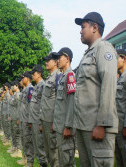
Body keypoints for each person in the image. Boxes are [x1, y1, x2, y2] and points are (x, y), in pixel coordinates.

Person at [74, 12, 118, 166]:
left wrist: (102, 124)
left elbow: (109, 84)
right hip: (84, 126)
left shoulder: (104, 49)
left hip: (97, 127)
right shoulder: (87, 54)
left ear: (94, 27)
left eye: (83, 27)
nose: (80, 31)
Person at [52, 47, 76, 167]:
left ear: (67, 59)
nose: (57, 61)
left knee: (67, 160)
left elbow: (72, 102)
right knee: (62, 158)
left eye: (59, 58)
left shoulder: (70, 76)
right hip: (60, 126)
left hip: (65, 127)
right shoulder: (62, 77)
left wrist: (68, 126)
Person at [40, 53, 61, 167]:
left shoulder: (58, 76)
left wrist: (55, 121)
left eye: (48, 60)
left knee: (54, 153)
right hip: (45, 120)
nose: (46, 62)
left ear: (55, 61)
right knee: (48, 151)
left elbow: (59, 100)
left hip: (52, 120)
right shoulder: (49, 78)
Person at [29, 64, 47, 167]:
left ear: (39, 74)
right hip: (34, 120)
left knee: (40, 145)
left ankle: (43, 164)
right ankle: (41, 164)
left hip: (39, 120)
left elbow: (43, 105)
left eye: (34, 73)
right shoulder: (36, 87)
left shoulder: (43, 86)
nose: (32, 75)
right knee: (37, 146)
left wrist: (40, 122)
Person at [20, 71, 34, 167]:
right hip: (23, 119)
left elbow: (31, 106)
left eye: (23, 78)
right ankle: (25, 158)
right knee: (25, 140)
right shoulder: (25, 90)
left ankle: (30, 161)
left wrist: (30, 120)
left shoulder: (30, 89)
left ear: (27, 78)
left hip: (27, 119)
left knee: (28, 141)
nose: (22, 80)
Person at [115, 49, 126, 167]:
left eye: (117, 58)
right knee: (119, 160)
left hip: (124, 126)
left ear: (124, 59)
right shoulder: (119, 78)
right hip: (117, 126)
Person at [8, 81, 23, 158]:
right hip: (13, 117)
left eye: (14, 86)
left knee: (17, 134)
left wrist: (18, 118)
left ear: (17, 86)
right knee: (14, 133)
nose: (13, 87)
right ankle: (15, 148)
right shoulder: (14, 95)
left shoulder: (18, 95)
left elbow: (19, 107)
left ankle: (19, 151)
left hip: (16, 117)